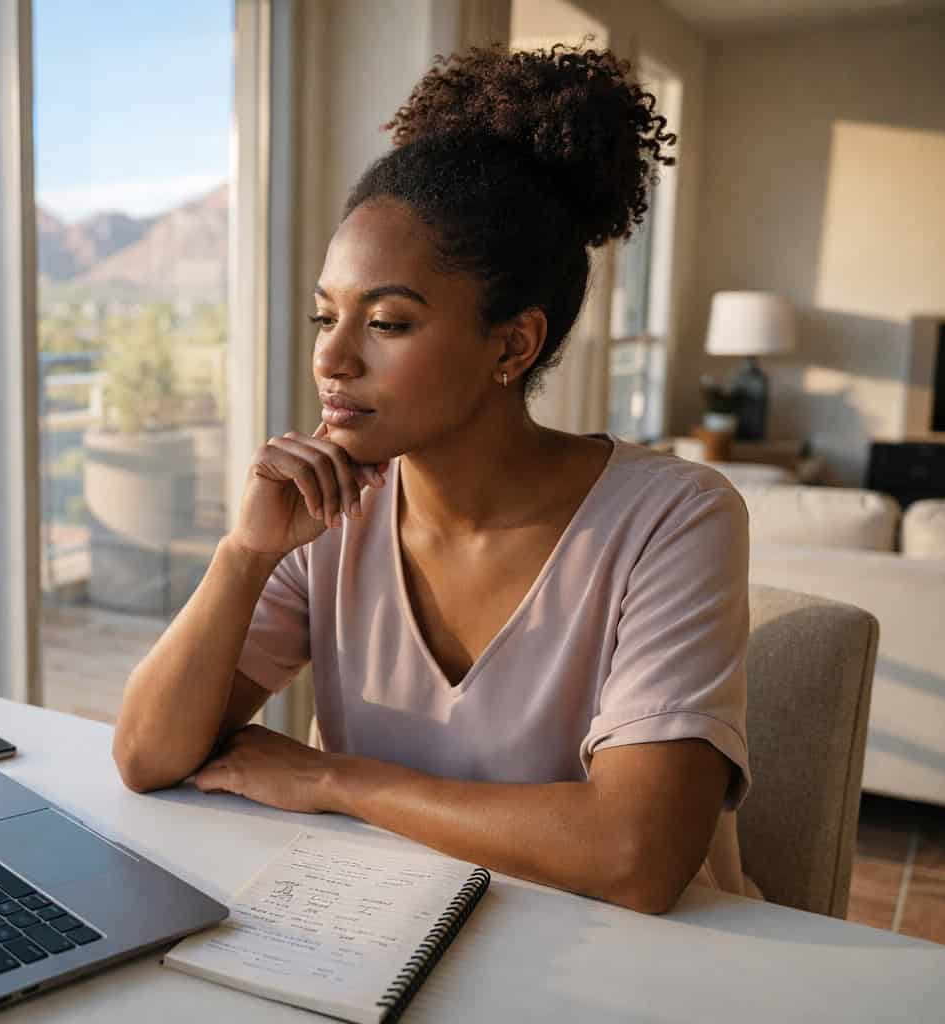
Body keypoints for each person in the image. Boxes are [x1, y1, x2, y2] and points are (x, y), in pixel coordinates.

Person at [111, 41, 762, 914]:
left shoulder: (674, 518)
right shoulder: (328, 514)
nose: (333, 358)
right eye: (325, 315)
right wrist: (243, 554)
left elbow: (633, 854)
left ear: (512, 344)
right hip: (385, 929)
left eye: (386, 321)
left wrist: (336, 781)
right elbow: (147, 757)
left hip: (642, 969)